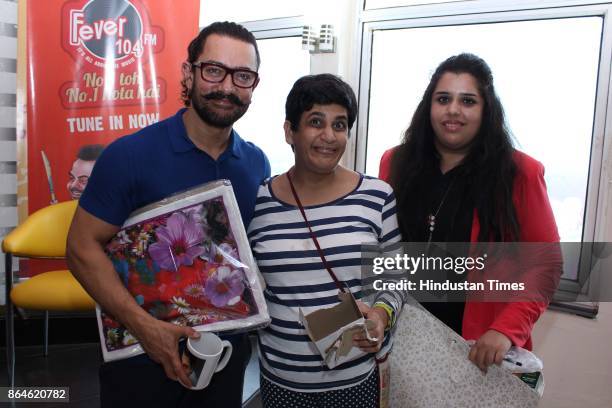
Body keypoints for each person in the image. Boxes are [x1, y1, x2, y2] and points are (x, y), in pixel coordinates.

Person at [66, 21, 270, 408]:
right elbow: (80, 248)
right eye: (214, 70)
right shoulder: (129, 156)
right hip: (140, 360)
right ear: (187, 72)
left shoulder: (256, 164)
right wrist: (145, 329)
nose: (227, 87)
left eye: (242, 76)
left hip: (225, 357)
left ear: (254, 85)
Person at [379, 53, 561, 371]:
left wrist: (505, 329)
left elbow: (545, 264)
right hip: (401, 342)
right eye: (444, 98)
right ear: (429, 106)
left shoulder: (520, 173)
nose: (453, 110)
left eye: (468, 101)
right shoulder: (395, 162)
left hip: (476, 353)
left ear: (486, 109)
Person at [248, 74, 404, 408]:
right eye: (315, 122)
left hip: (355, 377)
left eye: (340, 125)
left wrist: (380, 316)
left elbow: (394, 279)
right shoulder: (257, 199)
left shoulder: (376, 197)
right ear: (290, 131)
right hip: (281, 380)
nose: (328, 136)